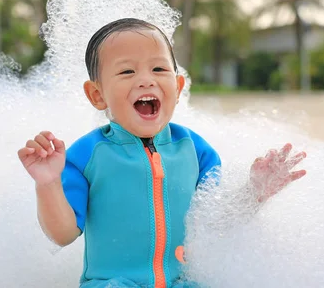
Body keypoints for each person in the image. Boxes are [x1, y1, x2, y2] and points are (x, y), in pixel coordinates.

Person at [18, 18, 307, 288]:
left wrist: (254, 193)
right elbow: (63, 234)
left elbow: (215, 223)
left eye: (158, 69)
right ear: (98, 94)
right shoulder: (85, 156)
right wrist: (48, 183)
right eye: (127, 71)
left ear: (178, 87)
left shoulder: (196, 150)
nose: (146, 80)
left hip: (183, 281)